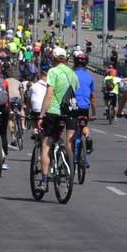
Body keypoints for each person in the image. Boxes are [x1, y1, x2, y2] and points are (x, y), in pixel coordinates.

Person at [34, 47, 77, 194]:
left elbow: (49, 94)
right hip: (70, 112)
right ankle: (66, 162)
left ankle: (44, 181)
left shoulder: (53, 71)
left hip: (54, 111)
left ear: (53, 58)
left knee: (46, 144)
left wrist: (41, 115)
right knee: (64, 138)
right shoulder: (72, 73)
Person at [71, 50, 96, 154]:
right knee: (84, 125)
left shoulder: (71, 75)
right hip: (84, 107)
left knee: (71, 128)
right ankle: (88, 136)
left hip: (72, 106)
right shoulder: (89, 77)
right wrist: (94, 113)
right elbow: (93, 97)